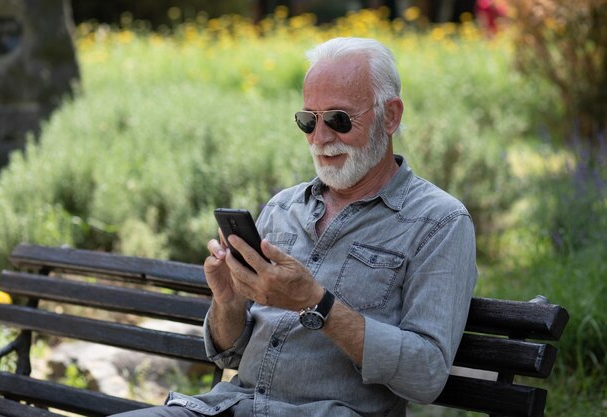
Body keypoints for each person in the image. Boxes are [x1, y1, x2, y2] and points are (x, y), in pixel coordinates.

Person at [109, 37, 477, 417]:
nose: (320, 138)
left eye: (339, 119)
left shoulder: (440, 222)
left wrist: (316, 303)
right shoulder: (284, 207)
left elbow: (426, 374)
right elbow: (228, 351)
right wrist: (228, 301)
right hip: (227, 407)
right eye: (308, 120)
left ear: (391, 116)